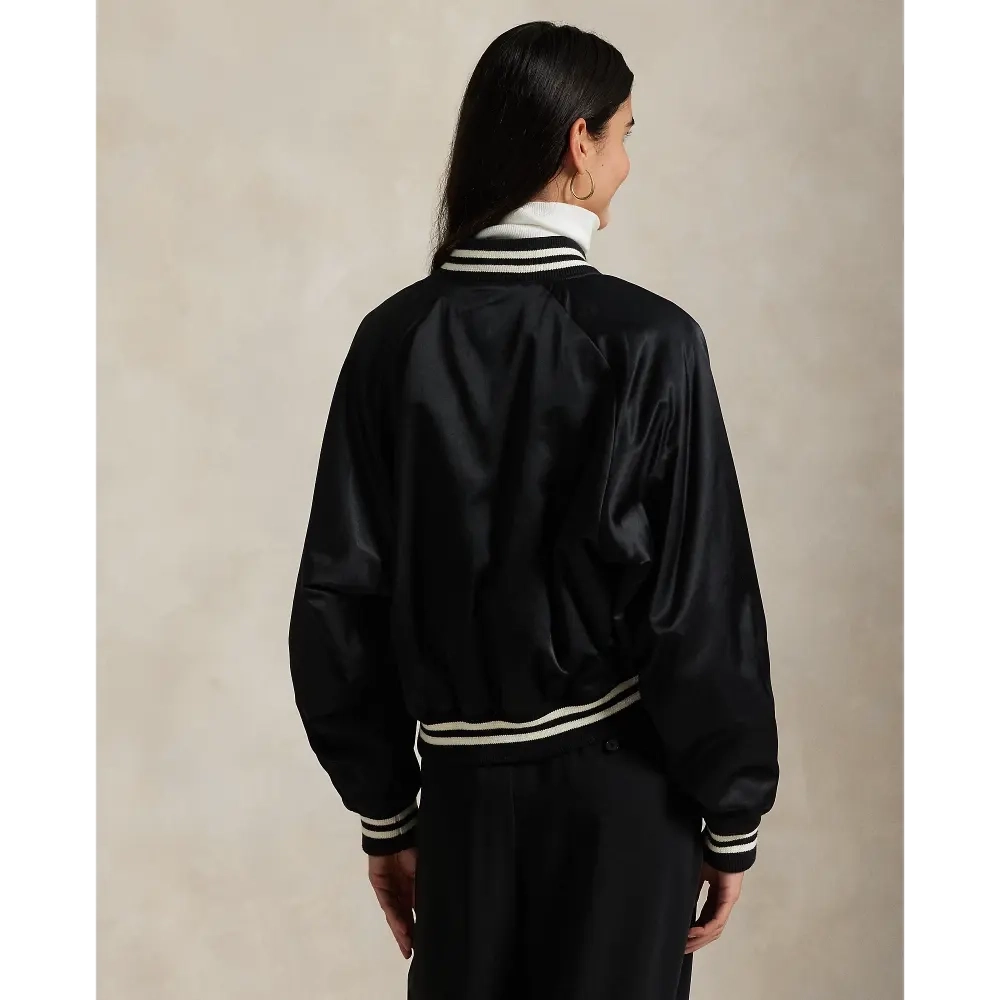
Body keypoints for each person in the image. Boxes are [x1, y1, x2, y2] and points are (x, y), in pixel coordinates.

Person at [288, 20, 779, 1000]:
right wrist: (732, 813)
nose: (628, 164)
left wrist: (387, 812)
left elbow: (338, 598)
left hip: (460, 805)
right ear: (578, 142)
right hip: (622, 810)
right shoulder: (650, 342)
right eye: (626, 134)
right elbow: (695, 606)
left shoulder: (391, 340)